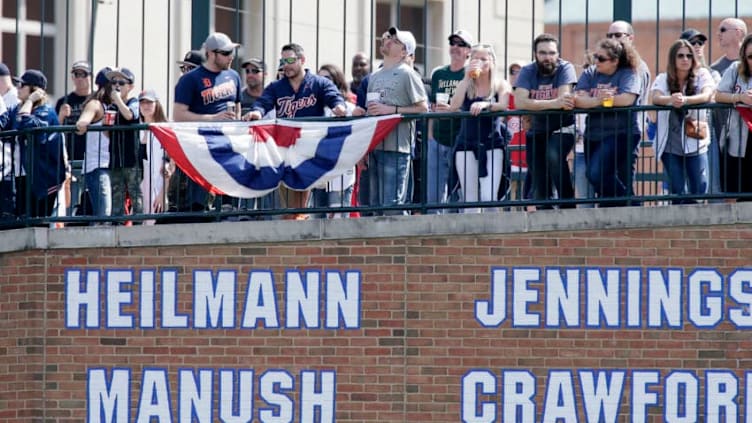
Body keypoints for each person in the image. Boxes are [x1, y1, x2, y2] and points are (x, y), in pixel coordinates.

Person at [244, 43, 346, 220]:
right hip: (285, 149)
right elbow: (263, 102)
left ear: (302, 60)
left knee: (303, 196)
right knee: (289, 202)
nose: (286, 65)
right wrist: (256, 112)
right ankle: (293, 223)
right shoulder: (277, 87)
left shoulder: (319, 83)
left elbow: (334, 97)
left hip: (309, 149)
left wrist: (339, 107)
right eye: (283, 61)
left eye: (290, 60)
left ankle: (300, 221)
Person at [354, 26, 428, 215]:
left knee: (392, 207)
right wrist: (363, 150)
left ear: (404, 52)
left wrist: (392, 110)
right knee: (374, 207)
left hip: (396, 149)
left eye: (395, 41)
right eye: (389, 39)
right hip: (374, 148)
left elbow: (423, 108)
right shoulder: (375, 76)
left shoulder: (408, 74)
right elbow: (370, 113)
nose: (388, 41)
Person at [171, 32, 241, 221]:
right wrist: (213, 118)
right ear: (211, 53)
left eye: (232, 52)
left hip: (228, 142)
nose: (231, 57)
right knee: (199, 204)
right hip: (201, 144)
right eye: (226, 53)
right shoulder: (190, 79)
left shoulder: (233, 76)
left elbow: (237, 104)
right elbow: (178, 115)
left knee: (229, 199)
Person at [574, 38, 642, 207]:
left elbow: (627, 99)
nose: (596, 61)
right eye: (595, 56)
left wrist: (598, 101)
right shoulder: (591, 72)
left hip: (621, 134)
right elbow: (578, 99)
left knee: (595, 173)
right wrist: (602, 100)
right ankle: (621, 206)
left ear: (615, 61)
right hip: (594, 134)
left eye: (601, 58)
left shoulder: (628, 73)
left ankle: (630, 202)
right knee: (602, 180)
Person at [514, 33, 577, 209]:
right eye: (543, 53)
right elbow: (519, 102)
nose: (547, 57)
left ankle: (567, 204)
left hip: (563, 127)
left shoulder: (566, 68)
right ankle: (545, 212)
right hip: (537, 129)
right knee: (539, 181)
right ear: (535, 54)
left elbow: (564, 100)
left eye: (551, 53)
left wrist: (533, 105)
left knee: (553, 155)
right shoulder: (527, 71)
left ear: (558, 54)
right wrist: (553, 103)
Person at [447, 43, 511, 214]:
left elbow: (503, 105)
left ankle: (492, 237)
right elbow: (453, 106)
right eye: (475, 58)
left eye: (483, 59)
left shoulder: (500, 84)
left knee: (489, 196)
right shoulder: (466, 84)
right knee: (470, 200)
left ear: (492, 62)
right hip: (466, 144)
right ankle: (470, 239)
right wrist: (467, 77)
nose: (479, 62)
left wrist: (486, 104)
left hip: (492, 144)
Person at [650, 39, 715, 203]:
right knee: (679, 191)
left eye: (689, 56)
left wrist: (686, 100)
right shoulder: (663, 78)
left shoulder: (702, 75)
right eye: (680, 56)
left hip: (695, 140)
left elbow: (707, 95)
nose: (685, 59)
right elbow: (656, 97)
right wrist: (671, 100)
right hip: (669, 144)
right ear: (673, 59)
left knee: (700, 187)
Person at [426, 29, 472, 213]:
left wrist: (455, 110)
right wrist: (430, 135)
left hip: (460, 138)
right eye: (453, 43)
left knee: (456, 190)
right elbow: (432, 105)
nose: (455, 47)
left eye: (460, 44)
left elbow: (471, 105)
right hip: (437, 137)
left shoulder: (471, 74)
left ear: (469, 51)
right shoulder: (438, 73)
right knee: (433, 193)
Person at [9, 70, 65, 219]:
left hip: (43, 178)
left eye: (22, 85)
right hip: (24, 173)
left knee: (38, 222)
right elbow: (4, 121)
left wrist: (29, 101)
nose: (18, 88)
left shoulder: (46, 111)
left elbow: (27, 124)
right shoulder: (17, 109)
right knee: (22, 220)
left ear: (34, 90)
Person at [310, 64, 357, 218]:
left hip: (341, 172)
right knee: (317, 220)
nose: (322, 81)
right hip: (318, 171)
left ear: (336, 81)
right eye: (319, 78)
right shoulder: (314, 109)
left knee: (338, 221)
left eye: (327, 78)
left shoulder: (349, 108)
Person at [711, 19, 748, 193]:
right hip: (735, 136)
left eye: (723, 30)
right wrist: (740, 97)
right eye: (749, 57)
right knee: (735, 188)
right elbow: (717, 95)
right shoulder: (733, 69)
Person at [75, 67, 115, 221]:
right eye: (115, 83)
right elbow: (83, 121)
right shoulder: (96, 104)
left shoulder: (112, 107)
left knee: (109, 215)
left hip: (110, 165)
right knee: (103, 214)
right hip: (97, 167)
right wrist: (84, 122)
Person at [105, 67, 142, 221]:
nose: (117, 86)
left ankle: (139, 224)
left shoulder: (134, 102)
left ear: (130, 86)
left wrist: (118, 99)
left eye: (121, 82)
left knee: (135, 193)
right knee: (116, 194)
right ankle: (117, 223)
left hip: (131, 158)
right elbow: (106, 132)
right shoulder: (112, 106)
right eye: (114, 82)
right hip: (115, 158)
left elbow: (129, 114)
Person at [55, 61, 92, 215]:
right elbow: (55, 130)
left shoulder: (96, 100)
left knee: (90, 197)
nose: (80, 78)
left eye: (83, 74)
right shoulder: (64, 101)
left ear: (90, 77)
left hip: (92, 157)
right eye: (76, 74)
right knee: (71, 198)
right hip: (70, 158)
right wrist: (61, 116)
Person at [137, 89, 169, 225]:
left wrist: (163, 194)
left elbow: (169, 166)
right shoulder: (136, 129)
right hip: (140, 188)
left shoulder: (165, 130)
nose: (146, 106)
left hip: (158, 187)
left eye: (149, 102)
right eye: (142, 102)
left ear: (157, 104)